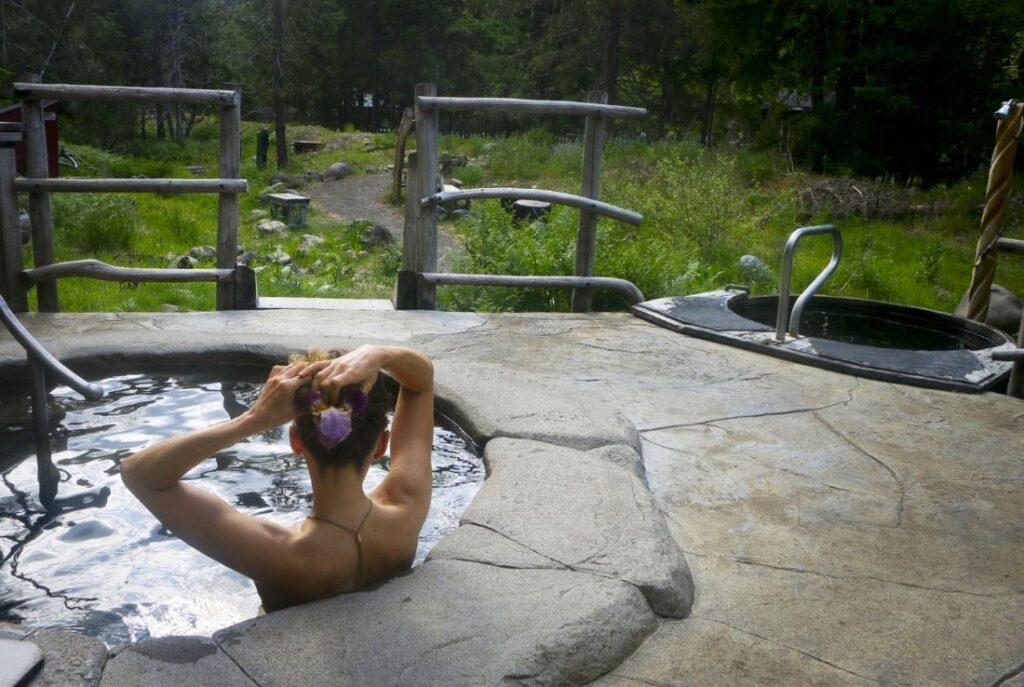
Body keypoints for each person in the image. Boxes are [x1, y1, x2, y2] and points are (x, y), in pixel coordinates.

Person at [121, 344, 434, 612]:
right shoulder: (406, 508)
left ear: (295, 442)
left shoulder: (276, 553)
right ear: (381, 445)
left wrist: (253, 419)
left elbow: (140, 474)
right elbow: (421, 381)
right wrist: (379, 353)